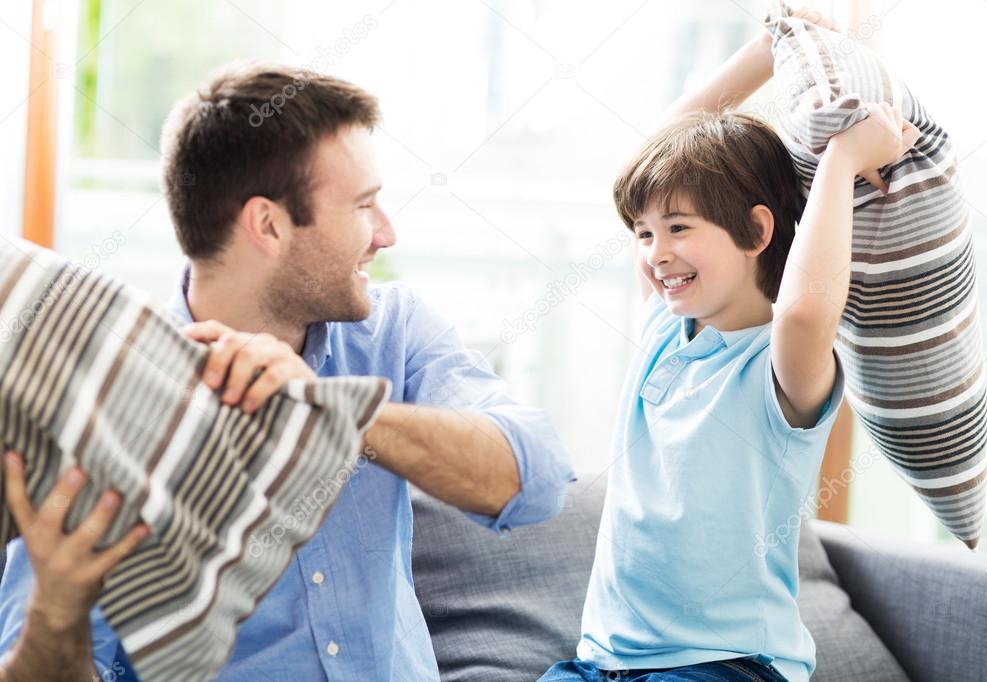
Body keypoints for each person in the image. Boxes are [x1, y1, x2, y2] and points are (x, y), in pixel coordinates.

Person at [0, 63, 575, 681]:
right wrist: (58, 615)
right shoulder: (101, 399)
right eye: (363, 205)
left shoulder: (393, 331)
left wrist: (327, 409)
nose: (387, 233)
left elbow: (537, 480)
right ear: (268, 225)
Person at [539, 10, 919, 682]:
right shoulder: (666, 327)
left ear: (756, 231)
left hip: (725, 666)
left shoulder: (779, 363)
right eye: (644, 235)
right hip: (603, 663)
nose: (656, 254)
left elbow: (806, 309)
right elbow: (644, 164)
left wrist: (842, 159)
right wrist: (768, 51)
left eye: (678, 228)